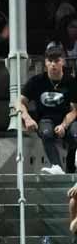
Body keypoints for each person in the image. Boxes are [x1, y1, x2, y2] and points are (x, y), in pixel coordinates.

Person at [19, 44, 77, 174]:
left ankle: (71, 167)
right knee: (46, 132)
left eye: (56, 61)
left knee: (75, 132)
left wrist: (64, 125)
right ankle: (57, 166)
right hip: (46, 120)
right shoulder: (37, 81)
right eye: (50, 61)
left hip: (67, 120)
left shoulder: (71, 82)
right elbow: (20, 102)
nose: (53, 65)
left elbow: (74, 110)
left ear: (63, 61)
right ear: (45, 62)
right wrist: (27, 119)